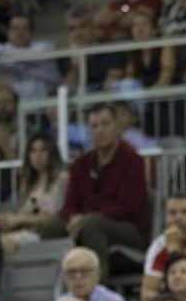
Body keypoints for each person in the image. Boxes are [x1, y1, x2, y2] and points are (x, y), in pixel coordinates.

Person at [61, 103, 150, 268]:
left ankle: (97, 287)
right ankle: (52, 286)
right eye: (94, 126)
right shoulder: (81, 164)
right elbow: (68, 205)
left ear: (116, 126)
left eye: (105, 124)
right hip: (85, 222)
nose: (100, 130)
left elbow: (128, 208)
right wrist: (73, 217)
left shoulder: (133, 161)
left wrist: (84, 218)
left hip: (127, 229)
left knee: (92, 225)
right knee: (51, 226)